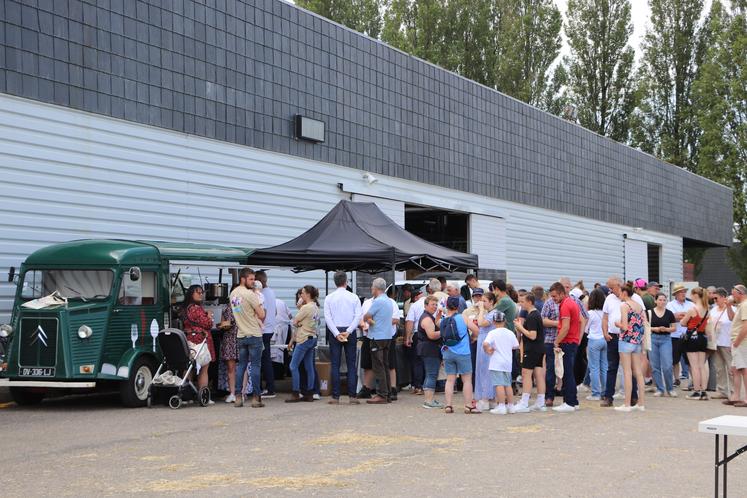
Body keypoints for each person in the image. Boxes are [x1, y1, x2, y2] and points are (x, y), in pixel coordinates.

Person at [601, 276, 645, 408]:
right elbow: (605, 317)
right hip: (617, 337)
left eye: (612, 287)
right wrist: (605, 332)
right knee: (612, 367)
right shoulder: (610, 298)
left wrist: (619, 325)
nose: (610, 290)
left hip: (624, 338)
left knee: (628, 370)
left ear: (620, 287)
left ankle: (631, 398)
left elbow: (636, 321)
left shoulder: (629, 301)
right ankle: (609, 396)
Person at [324, 271, 362, 405]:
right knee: (351, 364)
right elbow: (358, 316)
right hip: (349, 330)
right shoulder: (354, 297)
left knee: (335, 364)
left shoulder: (329, 298)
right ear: (346, 281)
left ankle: (336, 396)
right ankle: (352, 396)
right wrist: (349, 331)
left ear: (335, 282)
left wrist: (336, 333)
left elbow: (327, 318)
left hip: (335, 330)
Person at [230, 268, 266, 408]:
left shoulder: (233, 294)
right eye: (251, 279)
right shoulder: (250, 295)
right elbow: (262, 314)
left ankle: (238, 396)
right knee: (255, 366)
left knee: (241, 366)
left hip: (241, 334)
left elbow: (237, 311)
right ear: (243, 279)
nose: (253, 282)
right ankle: (256, 398)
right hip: (254, 334)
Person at [441, 296, 479, 414]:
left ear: (447, 306)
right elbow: (476, 330)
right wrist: (472, 338)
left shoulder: (443, 319)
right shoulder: (463, 317)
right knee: (467, 380)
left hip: (448, 352)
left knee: (450, 380)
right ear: (458, 306)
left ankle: (448, 405)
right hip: (463, 352)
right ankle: (468, 405)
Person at [614, 285, 647, 412]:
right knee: (638, 372)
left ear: (624, 293)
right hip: (637, 341)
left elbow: (625, 327)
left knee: (627, 372)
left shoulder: (624, 306)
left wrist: (618, 324)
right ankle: (641, 403)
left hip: (626, 340)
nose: (619, 295)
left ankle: (627, 404)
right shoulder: (638, 305)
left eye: (620, 292)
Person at [362, 278, 395, 404]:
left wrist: (368, 319)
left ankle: (381, 394)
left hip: (377, 336)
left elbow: (366, 315)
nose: (371, 289)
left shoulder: (377, 301)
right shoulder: (388, 301)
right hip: (387, 336)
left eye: (372, 287)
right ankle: (388, 393)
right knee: (385, 364)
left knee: (378, 366)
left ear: (376, 288)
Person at [550, 282, 581, 413]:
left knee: (567, 373)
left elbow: (566, 327)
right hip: (572, 341)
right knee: (569, 373)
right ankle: (573, 402)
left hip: (567, 342)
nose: (553, 299)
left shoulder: (565, 305)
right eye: (552, 296)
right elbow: (579, 321)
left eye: (555, 296)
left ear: (562, 293)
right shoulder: (571, 303)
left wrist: (556, 341)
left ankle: (569, 402)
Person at [180, 285, 216, 396]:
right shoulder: (195, 308)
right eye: (198, 292)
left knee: (189, 368)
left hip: (189, 341)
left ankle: (186, 395)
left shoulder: (185, 308)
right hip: (200, 341)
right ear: (191, 294)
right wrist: (209, 315)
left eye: (202, 292)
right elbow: (208, 324)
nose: (201, 294)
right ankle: (203, 395)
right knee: (204, 368)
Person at [286, 285, 320, 403]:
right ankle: (310, 392)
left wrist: (299, 307)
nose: (301, 295)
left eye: (303, 293)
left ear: (308, 294)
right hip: (312, 338)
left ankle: (296, 392)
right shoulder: (315, 306)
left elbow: (295, 322)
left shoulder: (305, 308)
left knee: (293, 365)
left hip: (303, 339)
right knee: (309, 366)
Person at [513, 293, 546, 412]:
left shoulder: (532, 316)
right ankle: (541, 401)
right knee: (538, 374)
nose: (520, 304)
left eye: (522, 302)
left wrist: (520, 327)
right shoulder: (536, 314)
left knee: (526, 373)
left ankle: (524, 402)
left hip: (531, 348)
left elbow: (532, 335)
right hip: (539, 348)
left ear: (530, 302)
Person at [483, 311, 519, 415]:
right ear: (505, 321)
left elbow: (485, 344)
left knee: (498, 384)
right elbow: (515, 345)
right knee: (507, 384)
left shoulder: (492, 333)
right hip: (507, 362)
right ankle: (511, 406)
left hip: (496, 362)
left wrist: (488, 350)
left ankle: (502, 406)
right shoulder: (510, 332)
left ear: (494, 322)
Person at [680, 287, 711, 400]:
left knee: (694, 366)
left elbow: (683, 323)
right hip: (702, 337)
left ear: (696, 295)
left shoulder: (693, 309)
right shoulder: (707, 309)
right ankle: (703, 391)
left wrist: (686, 321)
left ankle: (696, 391)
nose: (691, 297)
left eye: (692, 295)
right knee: (701, 365)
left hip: (692, 337)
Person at [472, 290, 497, 411]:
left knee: (487, 370)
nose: (482, 303)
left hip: (488, 343)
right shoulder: (488, 313)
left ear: (492, 302)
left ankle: (487, 397)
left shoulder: (494, 313)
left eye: (485, 301)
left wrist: (481, 310)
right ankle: (487, 397)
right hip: (482, 341)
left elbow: (481, 323)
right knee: (481, 369)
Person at [649, 292, 677, 397]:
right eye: (660, 299)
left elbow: (674, 328)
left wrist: (666, 329)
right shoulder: (649, 312)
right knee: (655, 365)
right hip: (653, 338)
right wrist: (655, 328)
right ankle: (660, 388)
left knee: (667, 365)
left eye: (664, 300)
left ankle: (670, 388)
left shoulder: (669, 313)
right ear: (655, 301)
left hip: (666, 339)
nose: (662, 302)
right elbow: (645, 327)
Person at [417, 295, 443, 409]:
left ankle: (430, 399)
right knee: (431, 374)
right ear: (426, 305)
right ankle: (428, 401)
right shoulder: (426, 318)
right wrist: (444, 331)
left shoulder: (429, 317)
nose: (435, 307)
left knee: (431, 374)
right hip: (429, 349)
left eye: (436, 305)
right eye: (432, 304)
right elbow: (431, 335)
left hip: (429, 349)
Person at [710, 288, 735, 400]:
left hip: (728, 342)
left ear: (724, 297)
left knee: (731, 368)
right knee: (719, 368)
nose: (715, 300)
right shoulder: (713, 310)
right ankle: (722, 390)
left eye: (716, 298)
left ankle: (735, 391)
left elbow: (734, 323)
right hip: (716, 342)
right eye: (714, 298)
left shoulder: (733, 309)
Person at [255, 271, 277, 399]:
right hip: (270, 329)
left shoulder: (262, 294)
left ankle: (269, 389)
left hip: (263, 330)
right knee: (266, 359)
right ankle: (270, 387)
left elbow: (264, 312)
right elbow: (274, 312)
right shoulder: (271, 292)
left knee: (263, 360)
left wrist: (260, 326)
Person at [667, 285, 694, 388]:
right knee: (675, 359)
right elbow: (671, 317)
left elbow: (693, 317)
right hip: (675, 335)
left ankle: (693, 380)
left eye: (684, 292)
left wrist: (681, 316)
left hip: (688, 335)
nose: (683, 294)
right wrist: (685, 316)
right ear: (675, 294)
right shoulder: (670, 305)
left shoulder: (691, 304)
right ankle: (676, 379)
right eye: (680, 292)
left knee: (690, 360)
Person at [585, 288, 608, 401]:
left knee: (594, 368)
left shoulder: (590, 314)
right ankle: (605, 392)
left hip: (594, 340)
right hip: (605, 340)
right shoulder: (605, 313)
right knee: (604, 367)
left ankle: (596, 393)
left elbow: (585, 329)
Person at [726, 285, 747, 407]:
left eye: (733, 293)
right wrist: (729, 306)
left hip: (742, 342)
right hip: (737, 341)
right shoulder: (740, 306)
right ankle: (736, 396)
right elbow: (732, 318)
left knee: (744, 369)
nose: (732, 296)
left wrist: (737, 341)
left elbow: (745, 325)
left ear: (740, 293)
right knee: (735, 369)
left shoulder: (745, 305)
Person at [404, 287, 426, 395]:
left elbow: (410, 322)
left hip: (419, 334)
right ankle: (429, 386)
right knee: (429, 360)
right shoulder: (433, 303)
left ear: (417, 297)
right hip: (432, 334)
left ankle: (418, 386)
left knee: (417, 360)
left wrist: (408, 338)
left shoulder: (415, 305)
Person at [541, 288, 560, 407]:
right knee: (551, 369)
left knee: (566, 369)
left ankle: (568, 398)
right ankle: (549, 396)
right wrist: (557, 323)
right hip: (550, 340)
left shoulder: (571, 301)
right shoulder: (548, 303)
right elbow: (543, 320)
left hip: (566, 340)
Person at [219, 294, 239, 403]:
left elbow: (223, 323)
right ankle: (234, 392)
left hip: (233, 337)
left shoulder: (228, 307)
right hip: (234, 337)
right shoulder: (228, 307)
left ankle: (236, 392)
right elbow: (223, 323)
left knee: (234, 367)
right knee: (234, 367)